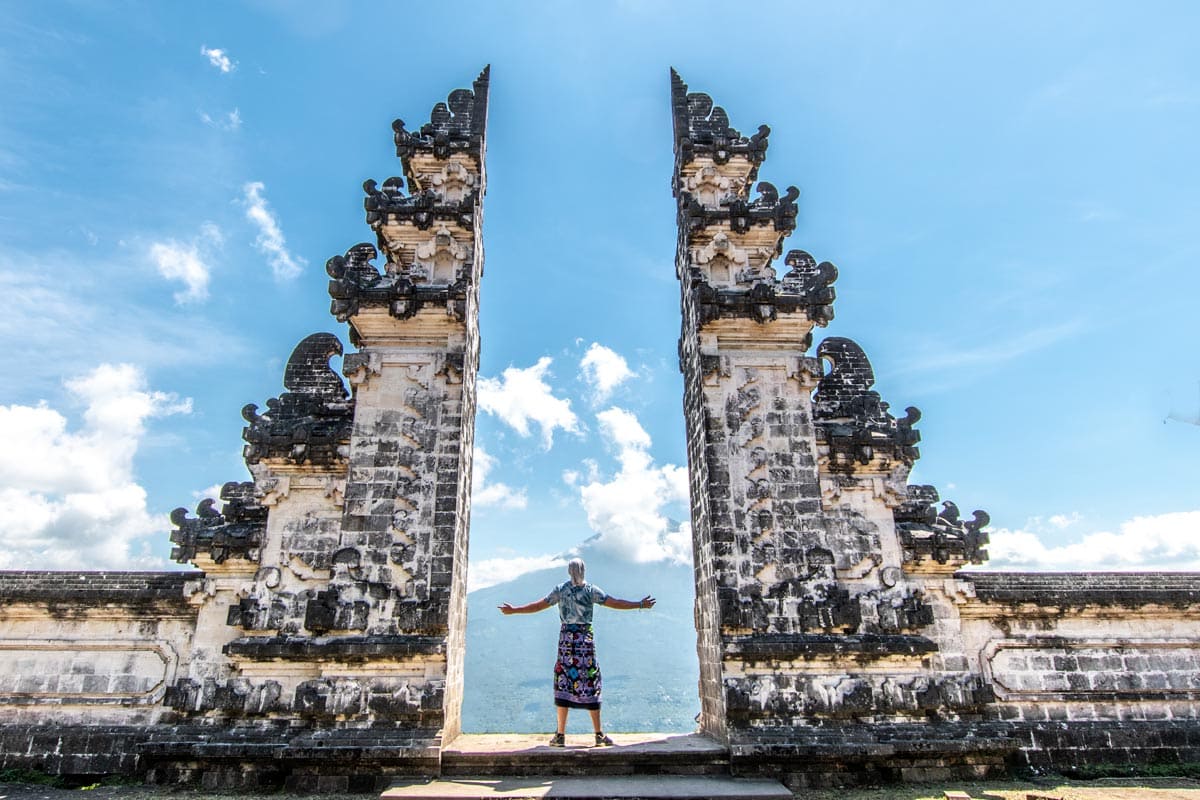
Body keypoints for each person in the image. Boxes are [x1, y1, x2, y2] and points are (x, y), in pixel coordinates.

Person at [498, 557, 655, 747]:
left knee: (564, 681)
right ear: (584, 571)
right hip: (585, 642)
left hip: (566, 642)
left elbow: (539, 605)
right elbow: (614, 602)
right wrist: (638, 604)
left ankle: (560, 735)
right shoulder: (591, 590)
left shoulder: (561, 590)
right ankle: (598, 734)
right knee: (591, 681)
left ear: (568, 571)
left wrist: (515, 610)